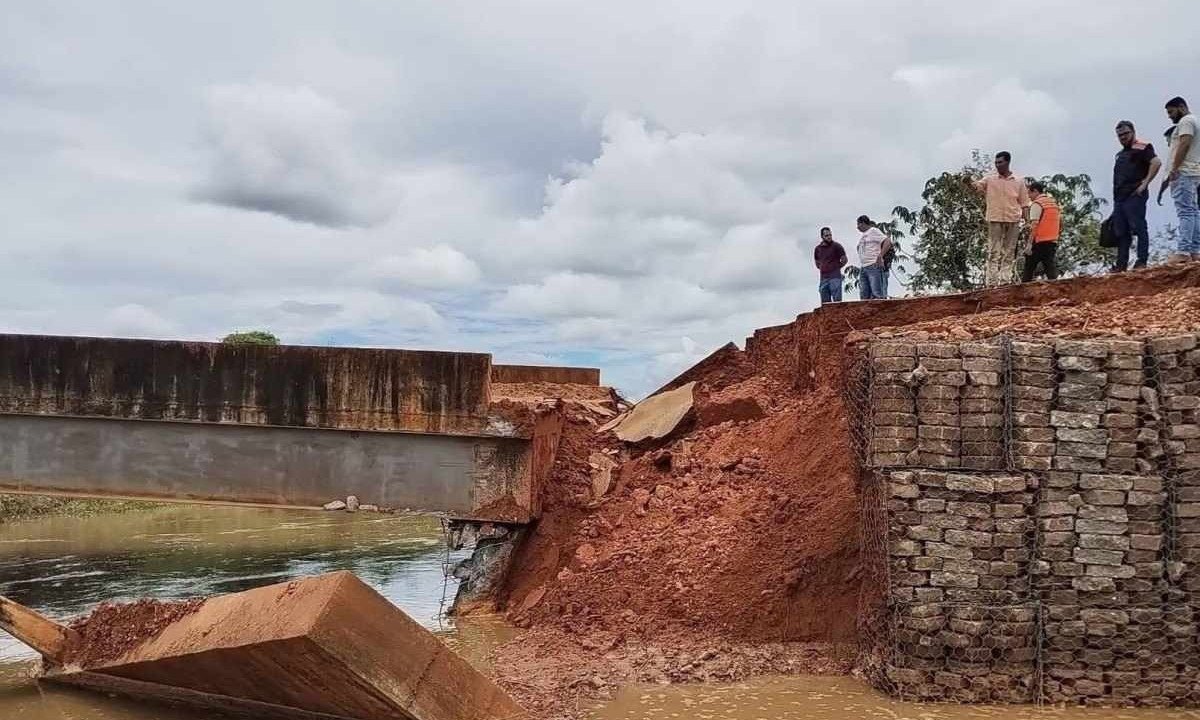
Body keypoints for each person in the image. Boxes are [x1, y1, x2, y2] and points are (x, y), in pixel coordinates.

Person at [972, 151, 1031, 286]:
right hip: (995, 218)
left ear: (1007, 162)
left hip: (1013, 219)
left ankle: (1005, 281)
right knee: (993, 251)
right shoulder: (990, 178)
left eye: (1000, 162)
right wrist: (969, 183)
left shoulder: (1018, 181)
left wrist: (1027, 222)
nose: (998, 165)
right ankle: (991, 283)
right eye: (996, 163)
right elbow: (977, 187)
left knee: (1009, 252)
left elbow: (1024, 203)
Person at [1111, 121, 1161, 271]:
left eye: (1126, 134)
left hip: (1134, 194)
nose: (1123, 137)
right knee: (1122, 232)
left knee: (1138, 227)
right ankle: (1121, 265)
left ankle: (1141, 261)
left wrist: (1145, 184)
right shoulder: (1120, 154)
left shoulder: (1142, 147)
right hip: (1120, 198)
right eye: (1120, 135)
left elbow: (1156, 162)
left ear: (1133, 132)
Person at [1164, 97, 1200, 261]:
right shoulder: (1194, 121)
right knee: (1192, 211)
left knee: (1185, 211)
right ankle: (1194, 250)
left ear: (1181, 107)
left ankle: (1183, 252)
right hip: (1192, 172)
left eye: (1171, 112)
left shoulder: (1186, 121)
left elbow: (1184, 144)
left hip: (1184, 172)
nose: (1170, 116)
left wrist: (1175, 168)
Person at [1021, 180, 1061, 282]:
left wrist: (1029, 243)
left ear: (1035, 191)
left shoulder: (1037, 204)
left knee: (1029, 268)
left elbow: (1034, 225)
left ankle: (1022, 292)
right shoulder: (1052, 203)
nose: (1029, 196)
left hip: (1039, 240)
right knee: (1050, 267)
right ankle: (1057, 289)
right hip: (1052, 240)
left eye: (1029, 193)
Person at [856, 215, 892, 299]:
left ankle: (880, 310)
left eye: (858, 224)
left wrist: (880, 256)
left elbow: (887, 241)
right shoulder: (864, 235)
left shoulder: (873, 231)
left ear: (863, 223)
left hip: (873, 265)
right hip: (864, 266)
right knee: (864, 294)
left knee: (877, 293)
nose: (857, 227)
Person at [813, 226, 847, 304]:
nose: (829, 237)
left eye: (830, 235)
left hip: (835, 277)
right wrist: (823, 267)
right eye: (826, 235)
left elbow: (844, 259)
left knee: (837, 302)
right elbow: (817, 262)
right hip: (823, 278)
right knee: (825, 303)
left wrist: (836, 267)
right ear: (822, 237)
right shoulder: (818, 249)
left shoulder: (837, 246)